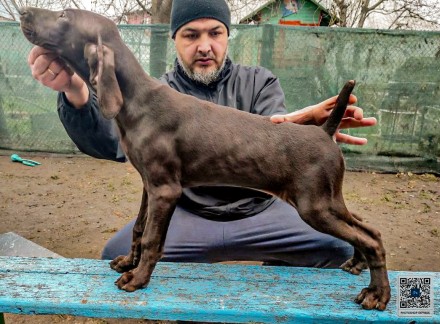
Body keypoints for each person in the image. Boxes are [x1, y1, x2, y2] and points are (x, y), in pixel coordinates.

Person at [27, 0, 376, 267]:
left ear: (227, 36)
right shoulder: (154, 92)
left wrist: (305, 123)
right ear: (175, 40)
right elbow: (111, 141)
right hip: (190, 215)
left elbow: (275, 129)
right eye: (191, 35)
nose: (205, 46)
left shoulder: (259, 81)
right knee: (113, 254)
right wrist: (76, 92)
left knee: (339, 245)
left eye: (215, 33)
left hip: (262, 211)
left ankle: (276, 292)